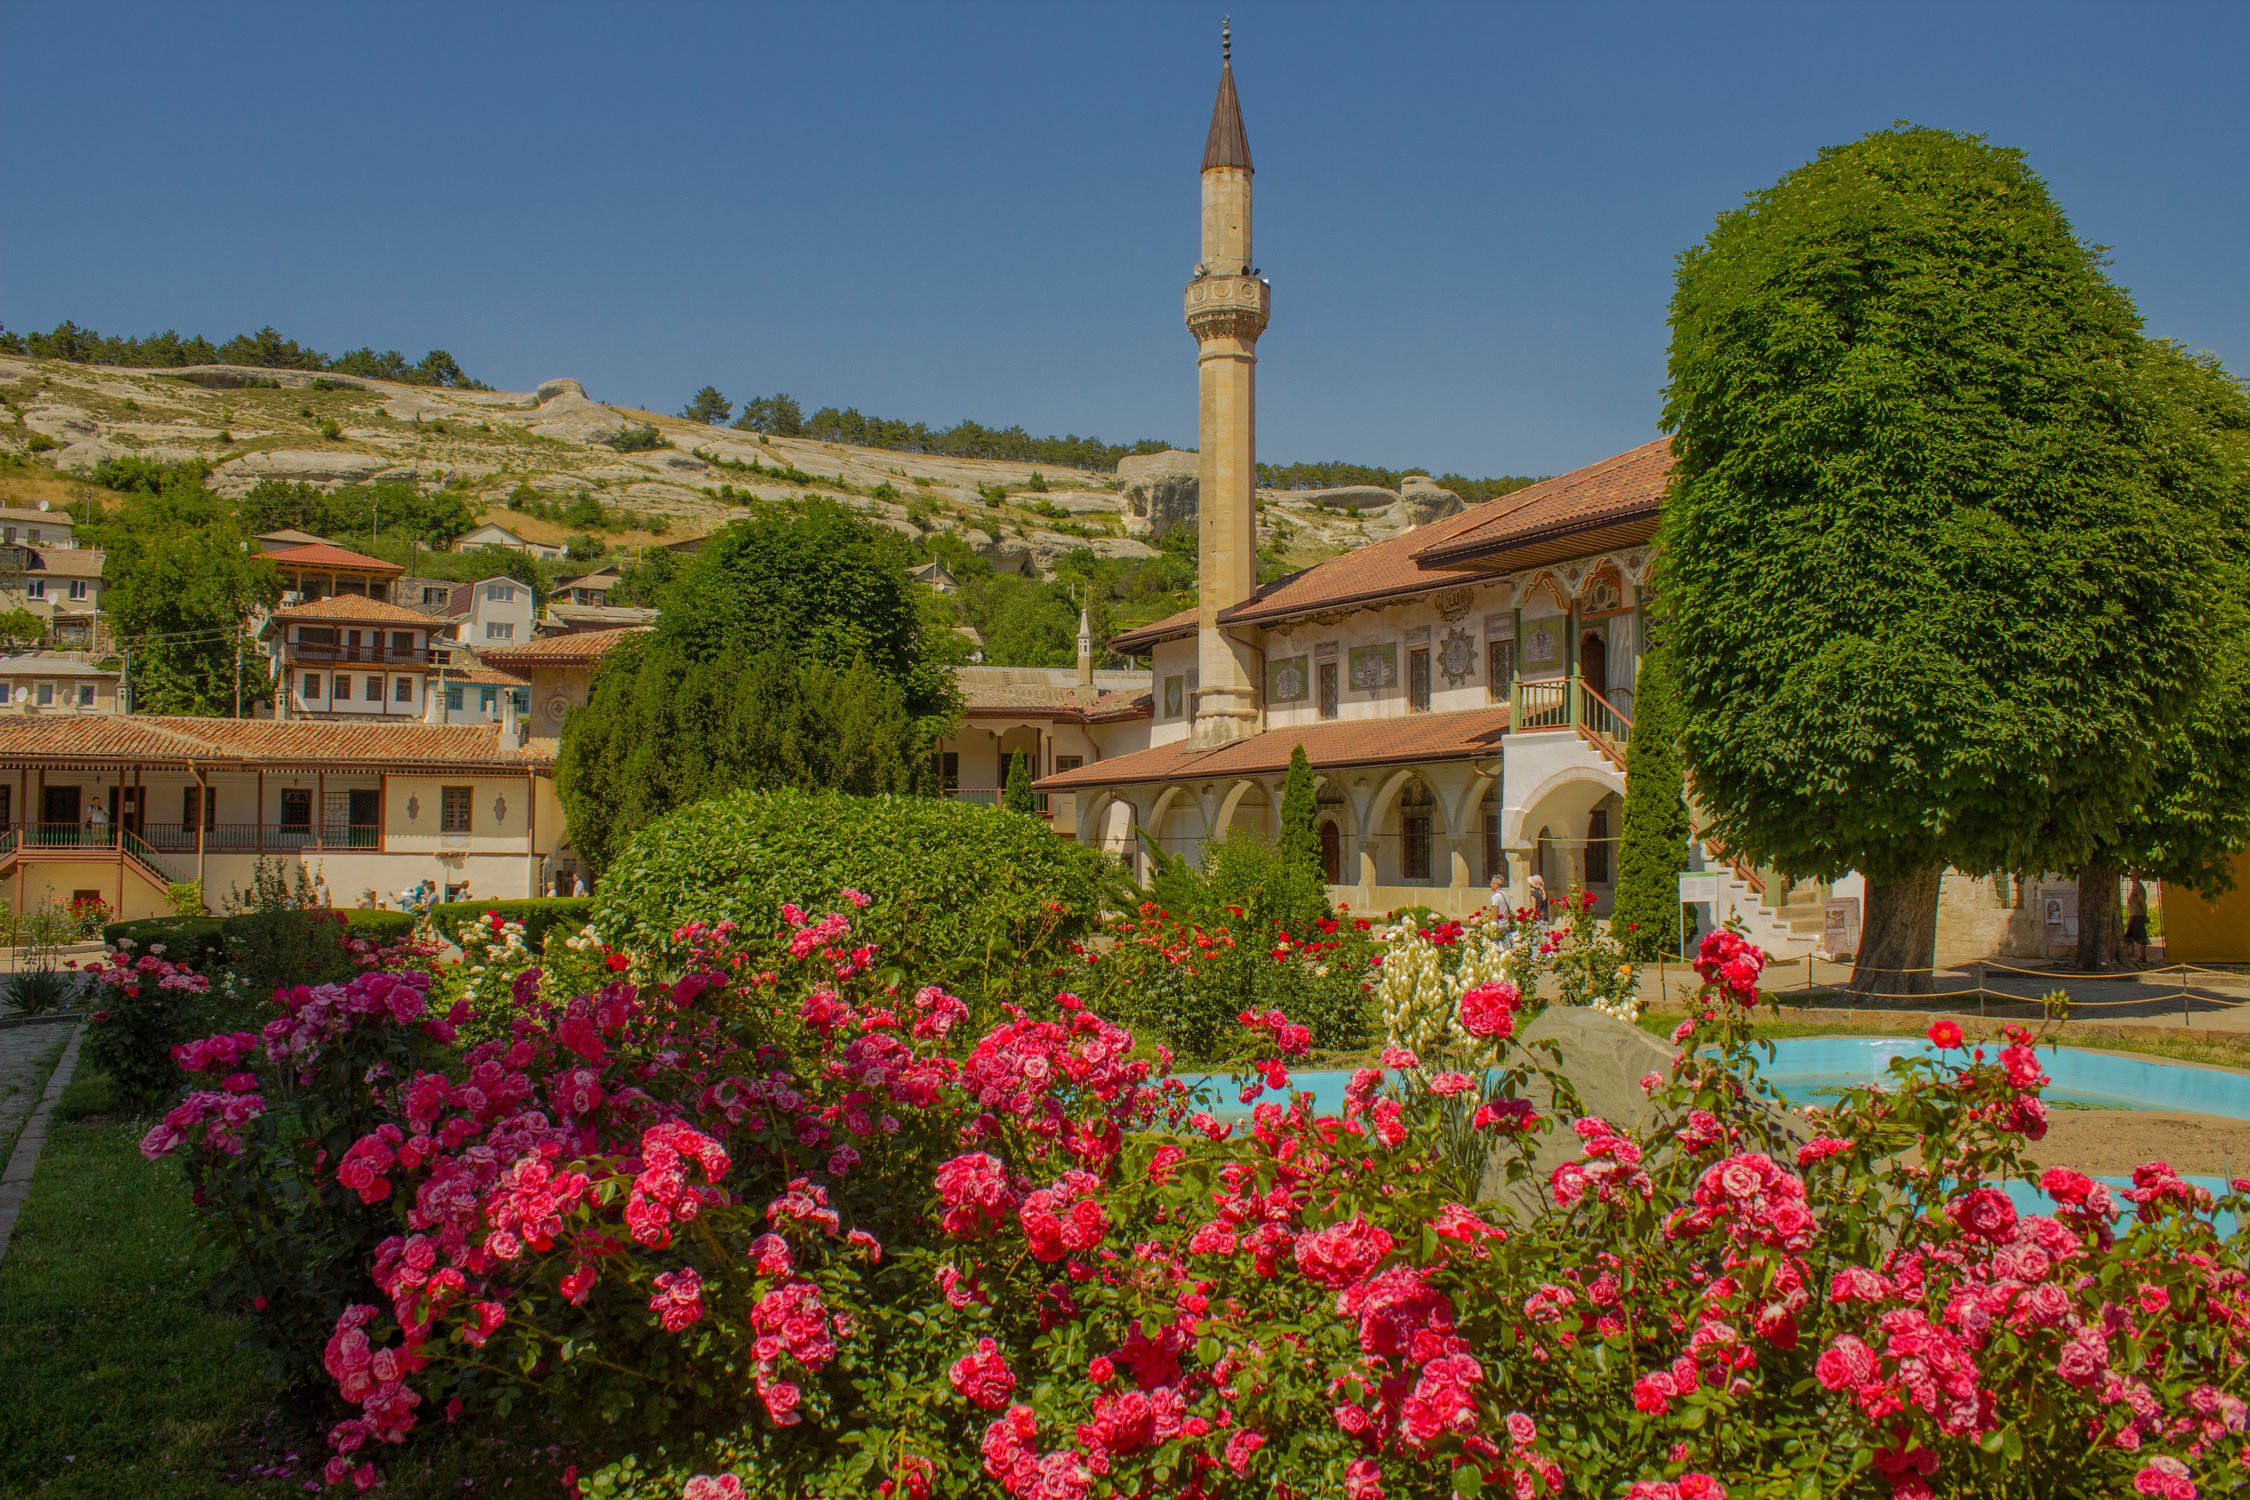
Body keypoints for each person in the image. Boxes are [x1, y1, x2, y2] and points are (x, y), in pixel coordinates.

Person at [2125, 877, 2151, 965]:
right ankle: (2129, 954)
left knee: (2140, 935)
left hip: (2138, 914)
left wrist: (2144, 914)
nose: (2130, 876)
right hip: (2134, 914)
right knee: (2130, 934)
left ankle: (2142, 957)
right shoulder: (2135, 887)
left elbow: (2143, 902)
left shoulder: (2139, 887)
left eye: (2132, 874)